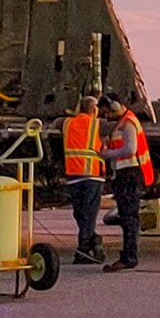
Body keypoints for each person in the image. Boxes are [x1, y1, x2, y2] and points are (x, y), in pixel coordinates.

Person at [98, 91, 155, 270]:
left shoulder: (128, 123)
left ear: (114, 105)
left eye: (107, 111)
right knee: (127, 217)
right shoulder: (122, 123)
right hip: (124, 174)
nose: (106, 115)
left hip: (129, 174)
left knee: (129, 217)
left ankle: (129, 256)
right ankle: (128, 255)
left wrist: (108, 154)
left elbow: (130, 149)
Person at [62, 94, 106, 264]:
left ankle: (89, 243)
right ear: (94, 110)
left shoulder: (67, 123)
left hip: (74, 176)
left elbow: (57, 122)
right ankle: (84, 249)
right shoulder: (98, 124)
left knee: (80, 213)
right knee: (89, 214)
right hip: (93, 176)